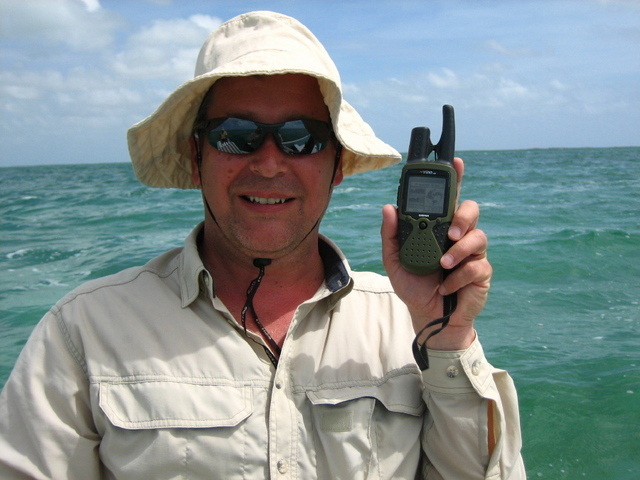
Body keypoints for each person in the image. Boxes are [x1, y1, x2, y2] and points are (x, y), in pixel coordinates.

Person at [0, 11, 525, 479]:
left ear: (337, 164)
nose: (270, 162)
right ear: (196, 153)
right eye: (235, 134)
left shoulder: (411, 324)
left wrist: (447, 339)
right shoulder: (81, 334)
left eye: (302, 138)